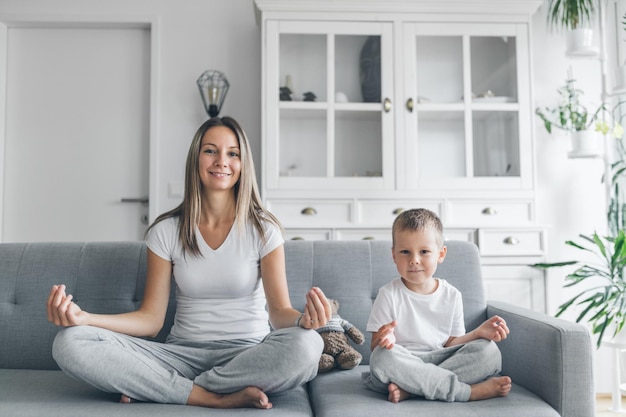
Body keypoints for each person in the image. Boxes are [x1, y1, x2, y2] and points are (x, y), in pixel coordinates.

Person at [47, 116, 331, 409]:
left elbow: (279, 313)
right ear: (196, 159)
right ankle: (210, 397)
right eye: (211, 150)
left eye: (232, 153)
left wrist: (302, 321)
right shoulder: (166, 230)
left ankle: (165, 387)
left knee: (308, 345)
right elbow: (151, 321)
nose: (222, 161)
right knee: (69, 342)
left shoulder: (263, 230)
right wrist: (86, 318)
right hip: (180, 356)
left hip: (247, 356)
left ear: (243, 164)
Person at [362, 208, 512, 403]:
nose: (414, 259)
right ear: (394, 255)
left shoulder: (452, 295)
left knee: (489, 351)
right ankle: (466, 392)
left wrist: (478, 334)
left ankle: (413, 390)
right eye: (405, 252)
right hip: (403, 363)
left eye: (424, 251)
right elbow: (375, 349)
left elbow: (450, 343)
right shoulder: (388, 294)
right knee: (382, 358)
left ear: (440, 254)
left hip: (440, 359)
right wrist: (384, 338)